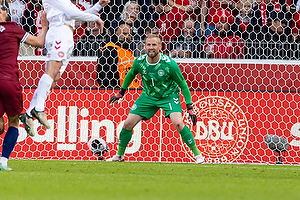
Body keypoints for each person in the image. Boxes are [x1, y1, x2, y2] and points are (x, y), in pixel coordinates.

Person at [106, 34, 205, 164]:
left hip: (168, 96)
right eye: (148, 45)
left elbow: (183, 85)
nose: (151, 47)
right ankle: (119, 155)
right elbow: (130, 74)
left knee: (179, 123)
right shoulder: (139, 62)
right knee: (127, 124)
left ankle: (198, 156)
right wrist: (121, 93)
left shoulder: (169, 64)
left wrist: (190, 107)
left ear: (160, 46)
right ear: (145, 46)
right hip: (148, 96)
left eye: (154, 45)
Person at [19, 0, 110, 137]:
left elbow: (79, 15)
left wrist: (98, 6)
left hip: (67, 35)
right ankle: (39, 108)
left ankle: (28, 114)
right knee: (52, 70)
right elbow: (72, 13)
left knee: (54, 79)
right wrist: (96, 18)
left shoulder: (66, 3)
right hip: (59, 32)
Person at [0, 0, 48, 171]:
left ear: (7, 14)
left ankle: (3, 162)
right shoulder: (13, 27)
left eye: (1, 9)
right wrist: (43, 25)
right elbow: (40, 42)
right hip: (9, 80)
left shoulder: (13, 27)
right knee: (13, 123)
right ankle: (3, 161)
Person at [97, 23, 140, 88]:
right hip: (120, 93)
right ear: (117, 33)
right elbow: (103, 76)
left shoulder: (126, 49)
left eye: (130, 34)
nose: (127, 37)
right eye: (124, 34)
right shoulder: (109, 50)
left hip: (132, 92)